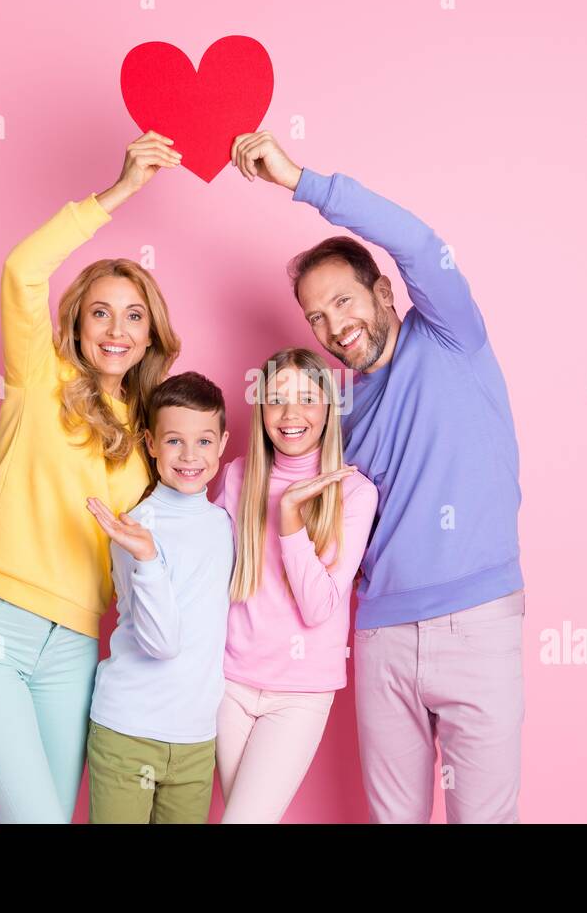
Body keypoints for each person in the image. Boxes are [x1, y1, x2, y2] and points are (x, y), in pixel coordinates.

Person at [229, 130, 528, 823]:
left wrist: (300, 181)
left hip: (478, 622)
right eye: (316, 317)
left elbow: (421, 243)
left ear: (384, 293)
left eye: (343, 301)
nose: (333, 325)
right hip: (381, 636)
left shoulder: (451, 335)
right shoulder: (338, 414)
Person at [0, 131, 183, 823]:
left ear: (151, 335)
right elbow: (22, 269)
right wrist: (121, 192)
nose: (116, 329)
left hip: (73, 648)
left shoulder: (145, 436)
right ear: (76, 320)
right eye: (100, 311)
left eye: (134, 316)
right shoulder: (39, 376)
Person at [211, 348, 377, 823]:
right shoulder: (237, 475)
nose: (291, 414)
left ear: (328, 408)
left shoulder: (354, 493)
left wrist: (290, 522)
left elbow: (320, 606)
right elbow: (214, 576)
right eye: (277, 399)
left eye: (307, 398)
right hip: (228, 683)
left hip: (299, 694)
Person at [84, 372, 234, 823]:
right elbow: (162, 643)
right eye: (174, 441)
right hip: (128, 732)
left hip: (195, 739)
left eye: (204, 441)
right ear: (150, 443)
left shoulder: (224, 524)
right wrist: (148, 558)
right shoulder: (134, 529)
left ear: (223, 443)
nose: (190, 456)